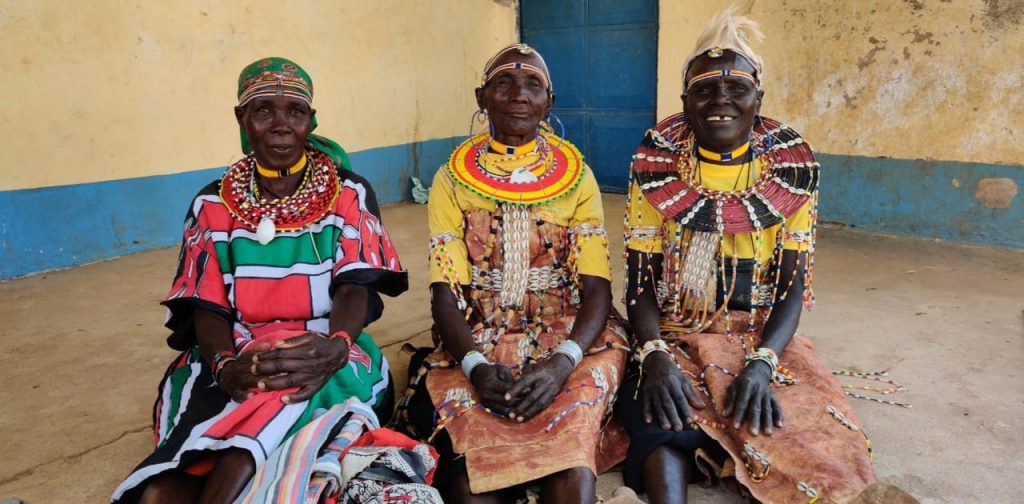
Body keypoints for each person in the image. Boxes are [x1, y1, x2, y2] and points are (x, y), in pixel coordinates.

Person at [112, 57, 407, 503]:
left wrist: (336, 344)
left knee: (293, 393)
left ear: (311, 121)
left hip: (327, 346)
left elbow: (355, 285)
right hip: (234, 349)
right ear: (242, 119)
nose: (280, 124)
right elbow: (207, 303)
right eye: (264, 110)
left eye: (295, 111)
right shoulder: (212, 202)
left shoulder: (349, 192)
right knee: (192, 448)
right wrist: (226, 367)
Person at [617, 9, 877, 503]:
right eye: (705, 89)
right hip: (676, 330)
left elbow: (791, 290)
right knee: (662, 416)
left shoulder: (792, 179)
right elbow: (641, 285)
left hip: (760, 334)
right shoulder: (653, 172)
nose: (721, 101)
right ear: (685, 102)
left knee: (814, 426)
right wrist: (652, 355)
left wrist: (761, 363)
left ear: (758, 100)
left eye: (737, 89)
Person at [399, 43, 629, 503]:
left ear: (550, 102)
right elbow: (445, 293)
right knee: (474, 476)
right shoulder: (451, 180)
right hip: (479, 334)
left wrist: (564, 361)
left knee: (573, 468)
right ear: (482, 97)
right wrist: (475, 366)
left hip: (571, 339)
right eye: (504, 82)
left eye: (533, 85)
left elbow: (597, 290)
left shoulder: (577, 176)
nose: (519, 94)